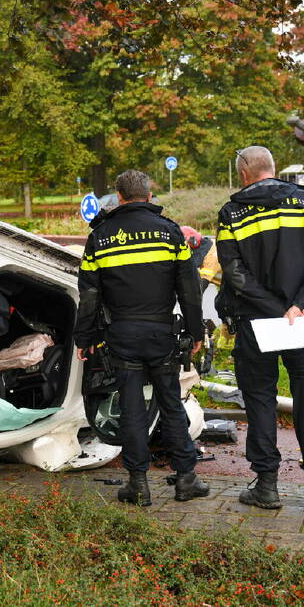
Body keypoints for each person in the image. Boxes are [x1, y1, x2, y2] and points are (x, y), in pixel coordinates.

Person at [215, 146, 304, 512]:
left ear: (243, 174)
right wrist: (298, 305)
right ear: (272, 169)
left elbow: (233, 271)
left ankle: (267, 486)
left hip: (255, 322)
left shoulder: (233, 211)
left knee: (259, 399)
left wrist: (273, 309)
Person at [74, 170, 208, 506]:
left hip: (120, 334)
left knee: (132, 407)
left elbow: (89, 293)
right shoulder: (170, 232)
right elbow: (189, 289)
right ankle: (186, 479)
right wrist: (194, 331)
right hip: (162, 332)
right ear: (149, 196)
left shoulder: (100, 236)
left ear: (118, 197)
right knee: (170, 402)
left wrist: (84, 337)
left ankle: (138, 484)